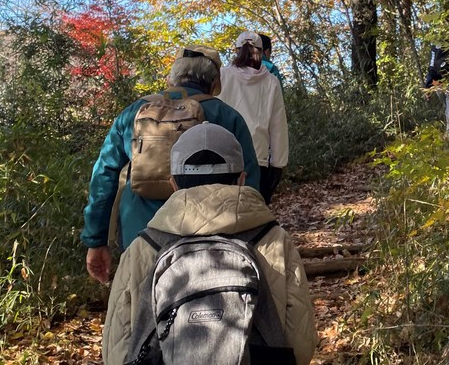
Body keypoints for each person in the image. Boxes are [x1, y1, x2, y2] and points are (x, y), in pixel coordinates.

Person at [103, 123, 318, 365]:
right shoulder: (275, 239)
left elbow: (117, 350)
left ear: (173, 184)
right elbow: (301, 344)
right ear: (241, 180)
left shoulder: (143, 247)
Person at [81, 44, 261, 284]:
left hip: (141, 237)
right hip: (210, 239)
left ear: (172, 77)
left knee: (139, 309)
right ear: (215, 81)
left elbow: (104, 175)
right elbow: (250, 183)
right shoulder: (227, 117)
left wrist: (97, 240)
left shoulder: (133, 114)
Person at [217, 31, 288, 205]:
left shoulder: (222, 75)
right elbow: (277, 125)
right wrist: (278, 164)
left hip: (225, 156)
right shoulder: (271, 81)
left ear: (236, 50)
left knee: (226, 212)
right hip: (258, 158)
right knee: (255, 214)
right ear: (262, 51)